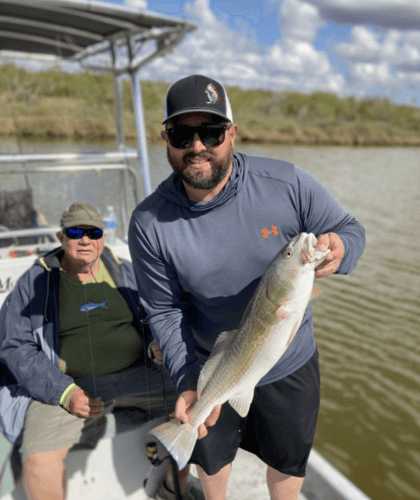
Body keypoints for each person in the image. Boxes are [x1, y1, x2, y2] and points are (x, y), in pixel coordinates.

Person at [128, 74, 366, 500]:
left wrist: (341, 247)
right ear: (166, 138)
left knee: (288, 460)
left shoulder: (288, 183)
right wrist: (187, 381)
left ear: (232, 134)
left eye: (212, 132)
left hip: (290, 363)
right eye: (182, 133)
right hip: (212, 362)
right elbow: (164, 310)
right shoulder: (149, 222)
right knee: (213, 458)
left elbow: (349, 229)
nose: (197, 146)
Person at [0, 202, 204, 500]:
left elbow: (160, 319)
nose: (85, 239)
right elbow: (15, 345)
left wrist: (154, 347)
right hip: (69, 387)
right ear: (61, 237)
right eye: (75, 232)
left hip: (140, 375)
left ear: (103, 238)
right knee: (37, 460)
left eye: (93, 232)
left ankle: (174, 487)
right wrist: (64, 392)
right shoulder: (36, 282)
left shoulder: (127, 272)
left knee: (197, 406)